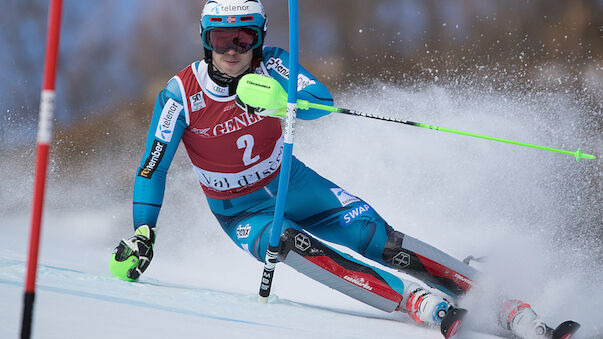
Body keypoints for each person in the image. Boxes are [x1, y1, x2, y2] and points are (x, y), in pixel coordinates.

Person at [109, 1, 559, 337]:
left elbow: (320, 102)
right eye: (221, 39)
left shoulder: (277, 62)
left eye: (243, 38)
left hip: (295, 182)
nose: (232, 49)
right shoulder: (180, 94)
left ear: (259, 39)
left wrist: (284, 99)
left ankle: (501, 302)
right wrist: (144, 231)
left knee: (374, 236)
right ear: (206, 40)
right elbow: (153, 167)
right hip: (240, 212)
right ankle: (412, 300)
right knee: (284, 242)